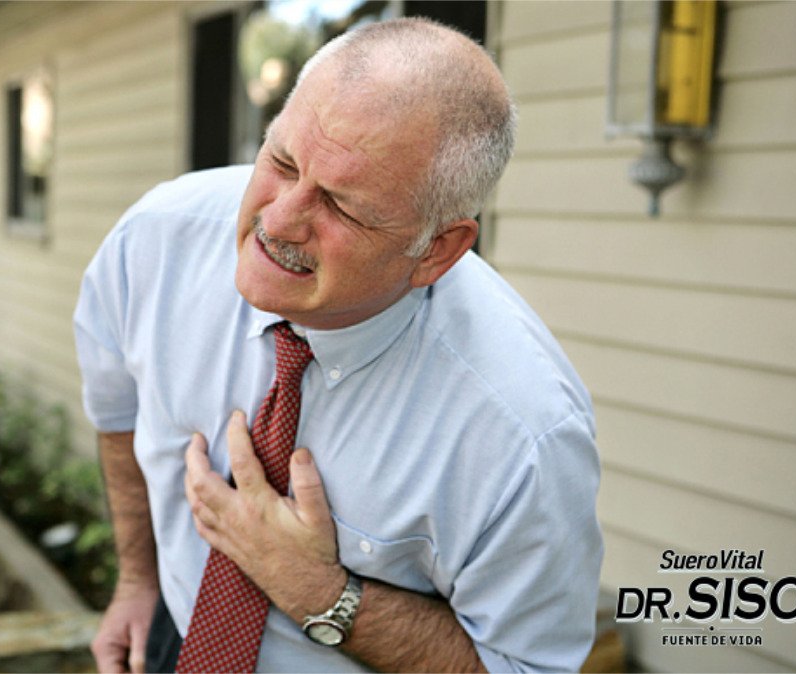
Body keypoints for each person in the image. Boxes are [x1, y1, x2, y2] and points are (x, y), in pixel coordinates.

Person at [74, 17, 602, 674]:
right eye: (282, 162)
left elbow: (523, 668)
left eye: (343, 208)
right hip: (171, 642)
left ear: (436, 250)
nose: (279, 220)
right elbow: (117, 410)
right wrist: (137, 580)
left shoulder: (523, 435)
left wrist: (324, 594)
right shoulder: (155, 243)